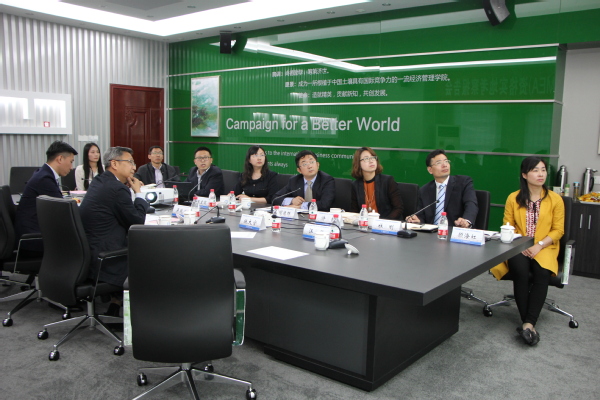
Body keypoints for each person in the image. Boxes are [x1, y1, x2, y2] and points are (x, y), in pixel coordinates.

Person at [490, 157, 564, 346]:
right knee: (520, 271)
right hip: (519, 245)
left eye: (543, 170)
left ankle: (528, 324)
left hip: (545, 246)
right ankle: (528, 325)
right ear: (524, 175)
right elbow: (508, 226)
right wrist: (523, 244)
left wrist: (539, 245)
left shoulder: (555, 199)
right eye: (535, 170)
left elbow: (558, 230)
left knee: (541, 272)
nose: (541, 174)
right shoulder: (514, 198)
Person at [79, 146, 149, 292]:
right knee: (152, 254)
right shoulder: (117, 188)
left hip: (91, 256)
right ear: (114, 164)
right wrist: (138, 193)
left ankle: (116, 301)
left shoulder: (100, 180)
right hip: (109, 260)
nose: (134, 167)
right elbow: (137, 222)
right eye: (130, 162)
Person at [15, 141, 78, 253]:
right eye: (71, 162)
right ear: (60, 159)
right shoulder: (44, 179)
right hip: (33, 238)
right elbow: (64, 211)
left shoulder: (43, 173)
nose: (71, 167)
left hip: (33, 230)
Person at [407, 149, 478, 227]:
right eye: (439, 163)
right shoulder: (424, 190)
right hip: (431, 232)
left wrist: (466, 221)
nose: (444, 165)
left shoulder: (463, 183)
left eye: (446, 161)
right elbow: (421, 216)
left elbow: (471, 204)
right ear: (430, 170)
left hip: (454, 230)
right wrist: (417, 220)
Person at [350, 147, 403, 220]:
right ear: (358, 163)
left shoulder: (387, 181)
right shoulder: (356, 185)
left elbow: (398, 208)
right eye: (366, 158)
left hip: (386, 223)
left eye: (373, 157)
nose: (371, 161)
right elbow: (354, 211)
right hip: (365, 224)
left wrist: (383, 222)